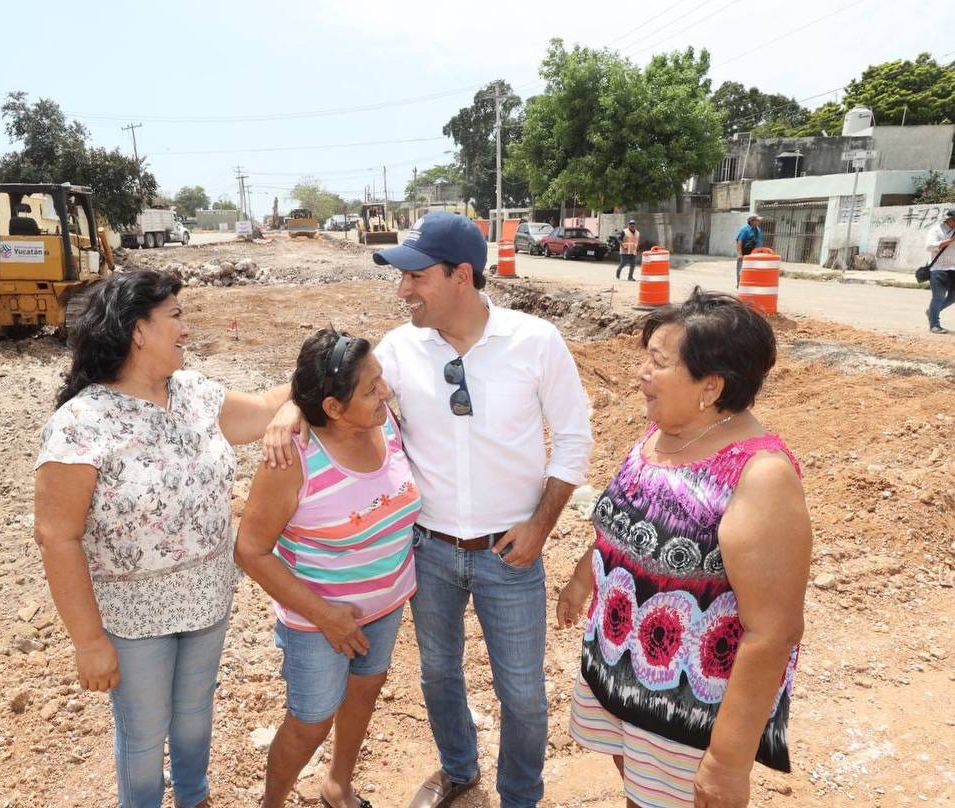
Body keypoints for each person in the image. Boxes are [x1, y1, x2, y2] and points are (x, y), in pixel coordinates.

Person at [263, 212, 592, 806]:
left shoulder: (535, 342)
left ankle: (520, 796)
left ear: (461, 275)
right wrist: (292, 406)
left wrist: (540, 527)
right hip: (427, 551)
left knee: (522, 692)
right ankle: (459, 769)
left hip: (511, 553)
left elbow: (573, 439)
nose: (403, 289)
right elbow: (335, 387)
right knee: (438, 673)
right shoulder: (398, 348)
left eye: (416, 276)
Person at [32, 269, 300, 808]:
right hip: (134, 619)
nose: (186, 328)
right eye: (175, 316)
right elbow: (57, 536)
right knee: (144, 735)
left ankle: (194, 797)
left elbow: (265, 409)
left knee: (196, 715)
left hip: (207, 600)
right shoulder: (80, 424)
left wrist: (296, 403)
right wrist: (89, 642)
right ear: (138, 330)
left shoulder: (195, 393)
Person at [557, 288, 812, 808]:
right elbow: (622, 524)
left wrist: (727, 761)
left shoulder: (760, 477)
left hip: (686, 708)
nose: (641, 374)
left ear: (710, 386)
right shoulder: (663, 434)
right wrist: (582, 580)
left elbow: (773, 631)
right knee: (639, 791)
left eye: (658, 362)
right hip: (624, 672)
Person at [235, 328, 421, 808]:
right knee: (311, 721)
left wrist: (292, 404)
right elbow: (250, 550)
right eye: (371, 389)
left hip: (386, 605)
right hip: (318, 622)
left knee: (364, 693)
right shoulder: (292, 459)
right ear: (334, 408)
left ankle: (338, 786)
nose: (386, 393)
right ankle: (271, 804)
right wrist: (325, 616)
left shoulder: (385, 422)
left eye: (381, 380)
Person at [924, 208, 955, 334]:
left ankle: (932, 311)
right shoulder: (936, 230)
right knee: (938, 297)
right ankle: (934, 325)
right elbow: (929, 246)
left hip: (953, 269)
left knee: (953, 297)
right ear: (950, 220)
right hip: (938, 269)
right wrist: (951, 240)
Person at [734, 214, 763, 288]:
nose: (759, 222)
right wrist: (740, 254)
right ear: (752, 221)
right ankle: (740, 284)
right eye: (757, 220)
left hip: (755, 254)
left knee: (753, 270)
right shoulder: (744, 229)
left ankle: (750, 284)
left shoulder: (758, 230)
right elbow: (739, 241)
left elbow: (759, 242)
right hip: (745, 253)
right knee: (742, 269)